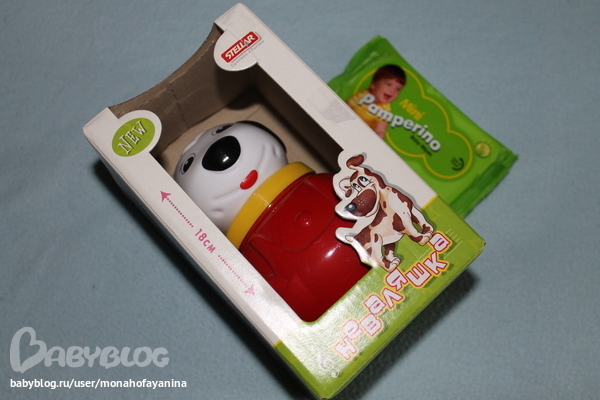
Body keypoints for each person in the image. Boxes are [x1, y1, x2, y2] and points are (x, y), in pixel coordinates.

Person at [346, 64, 406, 138]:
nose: (392, 91)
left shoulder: (385, 110)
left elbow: (380, 130)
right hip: (348, 122)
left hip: (362, 134)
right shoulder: (363, 95)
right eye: (389, 84)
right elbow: (346, 106)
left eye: (398, 89)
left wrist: (378, 136)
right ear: (373, 85)